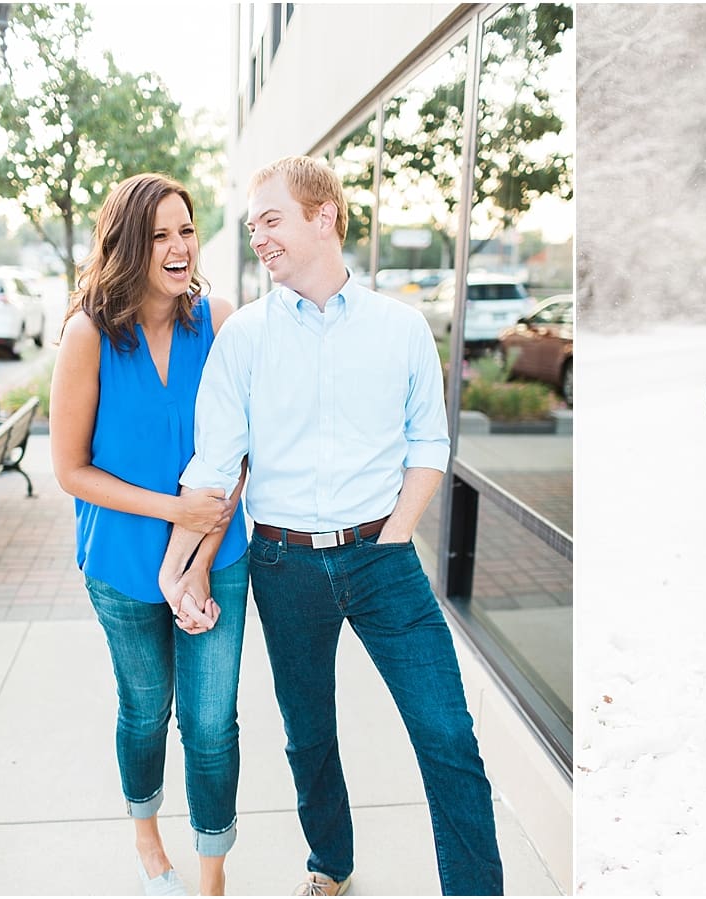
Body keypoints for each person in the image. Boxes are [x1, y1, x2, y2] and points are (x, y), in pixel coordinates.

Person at [159, 155, 504, 896]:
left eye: (272, 220)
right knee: (308, 734)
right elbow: (214, 466)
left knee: (448, 734)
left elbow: (428, 444)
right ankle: (331, 865)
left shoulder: (401, 328)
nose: (259, 238)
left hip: (383, 560)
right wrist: (175, 567)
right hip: (283, 567)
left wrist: (395, 533)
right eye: (253, 227)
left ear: (324, 217)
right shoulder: (244, 336)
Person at [50, 173, 249, 896]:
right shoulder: (88, 334)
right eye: (159, 233)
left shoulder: (219, 319)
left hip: (218, 555)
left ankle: (211, 875)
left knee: (211, 722)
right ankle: (145, 830)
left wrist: (197, 553)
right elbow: (70, 469)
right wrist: (174, 515)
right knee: (145, 709)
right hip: (122, 563)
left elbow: (243, 452)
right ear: (127, 243)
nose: (177, 247)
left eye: (186, 230)